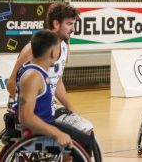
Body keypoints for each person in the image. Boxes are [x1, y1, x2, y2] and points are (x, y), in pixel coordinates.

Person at [7, 3, 93, 135]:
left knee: (85, 129)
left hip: (48, 106)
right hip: (32, 108)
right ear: (56, 24)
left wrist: (70, 108)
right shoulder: (32, 49)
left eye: (74, 24)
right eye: (69, 24)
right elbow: (11, 83)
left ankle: (64, 155)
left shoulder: (64, 47)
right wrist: (27, 107)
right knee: (84, 131)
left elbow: (57, 82)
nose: (73, 29)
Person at [12, 30, 93, 158]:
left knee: (83, 134)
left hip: (44, 124)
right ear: (53, 52)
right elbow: (25, 117)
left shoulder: (34, 70)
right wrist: (56, 133)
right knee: (85, 142)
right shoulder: (33, 76)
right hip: (37, 132)